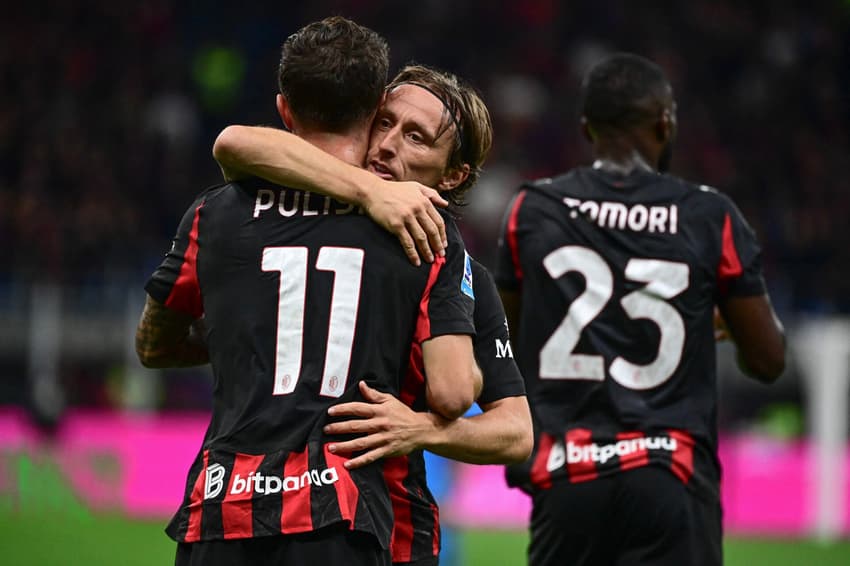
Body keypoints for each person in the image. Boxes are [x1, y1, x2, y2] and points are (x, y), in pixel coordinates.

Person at [135, 17, 481, 566]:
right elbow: (453, 391)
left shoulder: (213, 214)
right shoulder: (416, 228)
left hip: (221, 509)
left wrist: (252, 334)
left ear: (283, 109)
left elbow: (153, 345)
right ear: (375, 111)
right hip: (339, 513)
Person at [213, 64, 533, 566]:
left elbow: (516, 431)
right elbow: (235, 143)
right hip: (289, 510)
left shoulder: (456, 266)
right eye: (383, 123)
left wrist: (423, 430)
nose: (386, 145)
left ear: (453, 175)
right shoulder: (306, 221)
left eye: (415, 137)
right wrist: (370, 191)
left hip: (384, 526)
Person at [495, 53, 786, 566]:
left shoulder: (533, 209)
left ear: (587, 128)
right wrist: (723, 325)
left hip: (569, 474)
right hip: (669, 474)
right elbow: (768, 361)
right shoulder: (709, 215)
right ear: (664, 122)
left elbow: (505, 343)